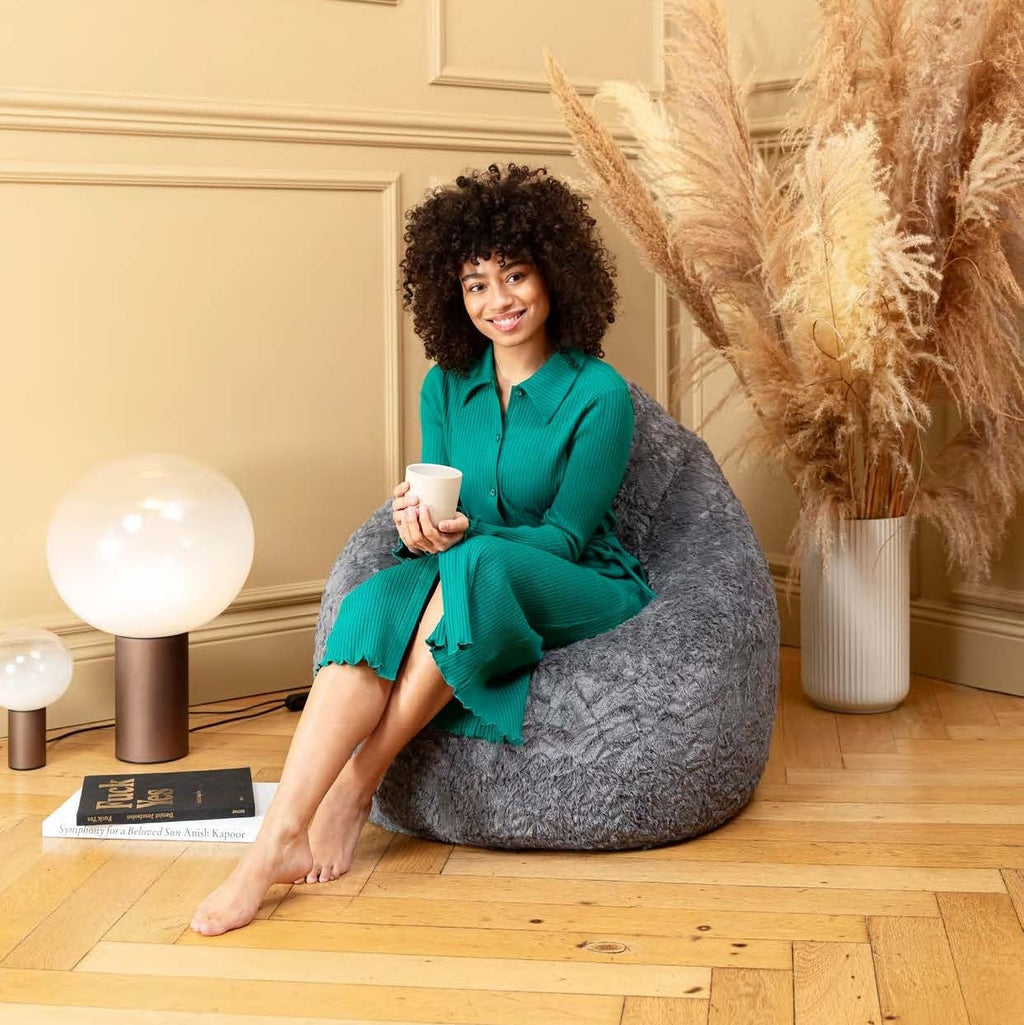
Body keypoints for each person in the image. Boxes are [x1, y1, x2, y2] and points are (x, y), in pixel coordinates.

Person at [189, 162, 658, 937]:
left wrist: (463, 540)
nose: (497, 300)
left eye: (514, 275)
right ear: (453, 293)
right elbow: (439, 499)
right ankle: (273, 839)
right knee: (375, 598)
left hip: (581, 579)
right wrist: (416, 524)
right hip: (473, 564)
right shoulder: (444, 384)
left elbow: (568, 537)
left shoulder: (599, 394)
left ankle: (354, 788)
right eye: (475, 283)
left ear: (554, 274)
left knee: (477, 563)